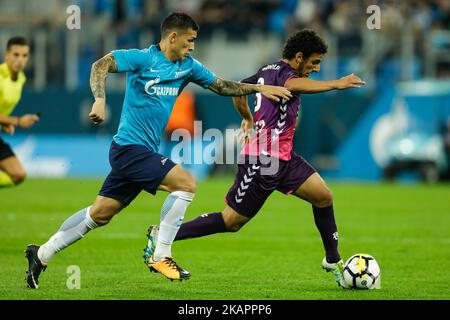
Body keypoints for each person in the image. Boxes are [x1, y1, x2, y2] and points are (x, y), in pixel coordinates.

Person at [24, 12, 292, 289]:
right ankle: (161, 254)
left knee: (99, 214)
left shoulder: (188, 66)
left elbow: (223, 86)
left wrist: (260, 89)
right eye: (190, 40)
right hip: (129, 148)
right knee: (186, 183)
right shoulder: (143, 58)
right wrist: (100, 101)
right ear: (172, 37)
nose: (192, 46)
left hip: (142, 152)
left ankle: (41, 253)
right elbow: (100, 65)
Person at [143, 29, 366, 288]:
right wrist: (336, 84)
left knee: (323, 196)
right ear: (298, 56)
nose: (316, 69)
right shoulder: (285, 75)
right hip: (262, 161)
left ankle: (333, 259)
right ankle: (164, 236)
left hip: (285, 158)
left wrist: (248, 118)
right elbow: (292, 85)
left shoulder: (266, 70)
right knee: (231, 221)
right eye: (314, 62)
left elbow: (239, 90)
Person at [0, 36, 39, 188]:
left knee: (18, 175)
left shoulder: (20, 78)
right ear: (6, 56)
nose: (20, 60)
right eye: (16, 55)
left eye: (24, 55)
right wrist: (16, 121)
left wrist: (4, 123)